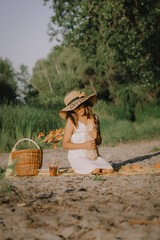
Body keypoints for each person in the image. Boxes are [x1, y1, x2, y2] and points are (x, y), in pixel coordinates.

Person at [59, 91, 114, 175]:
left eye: (79, 105)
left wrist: (97, 136)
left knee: (110, 170)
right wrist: (84, 145)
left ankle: (95, 169)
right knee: (95, 169)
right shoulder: (72, 121)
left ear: (84, 103)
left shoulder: (94, 118)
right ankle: (91, 169)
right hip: (77, 156)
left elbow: (99, 142)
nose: (78, 109)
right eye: (75, 107)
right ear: (72, 110)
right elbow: (65, 144)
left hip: (92, 155)